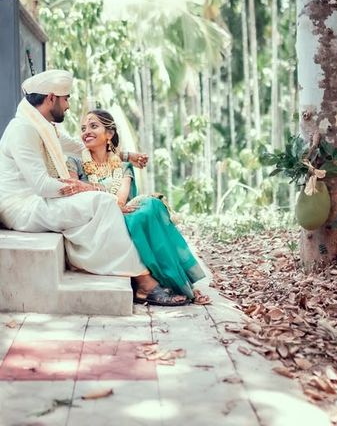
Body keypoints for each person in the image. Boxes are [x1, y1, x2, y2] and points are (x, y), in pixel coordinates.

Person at [0, 69, 188, 306]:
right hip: (22, 208)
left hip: (39, 201)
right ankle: (144, 282)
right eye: (65, 98)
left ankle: (136, 277)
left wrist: (126, 155)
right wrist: (85, 188)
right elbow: (41, 185)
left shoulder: (43, 127)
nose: (68, 105)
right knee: (103, 201)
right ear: (51, 98)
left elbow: (82, 145)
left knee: (103, 203)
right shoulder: (23, 129)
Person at [66, 109, 210, 304]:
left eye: (93, 126)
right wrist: (97, 190)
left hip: (120, 211)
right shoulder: (75, 162)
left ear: (109, 134)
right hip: (95, 220)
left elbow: (120, 201)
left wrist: (91, 187)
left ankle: (179, 284)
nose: (86, 132)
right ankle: (158, 285)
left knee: (152, 206)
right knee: (141, 216)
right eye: (83, 128)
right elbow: (73, 191)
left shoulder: (123, 166)